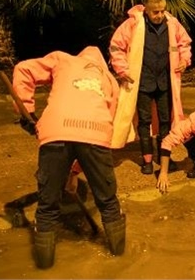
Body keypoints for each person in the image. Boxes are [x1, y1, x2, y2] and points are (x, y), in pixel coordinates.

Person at [12, 46, 125, 269]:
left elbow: (23, 69)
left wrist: (26, 110)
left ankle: (44, 267)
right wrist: (75, 170)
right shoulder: (110, 80)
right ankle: (120, 258)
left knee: (47, 205)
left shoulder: (62, 59)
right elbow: (107, 123)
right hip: (95, 132)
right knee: (108, 201)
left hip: (55, 130)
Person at [109, 0, 192, 175]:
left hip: (164, 83)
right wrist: (122, 70)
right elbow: (116, 46)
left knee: (165, 121)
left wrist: (184, 60)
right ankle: (147, 160)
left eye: (162, 11)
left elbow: (184, 43)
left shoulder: (172, 23)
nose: (160, 15)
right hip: (142, 82)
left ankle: (164, 158)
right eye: (156, 12)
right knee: (144, 122)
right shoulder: (133, 24)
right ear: (146, 10)